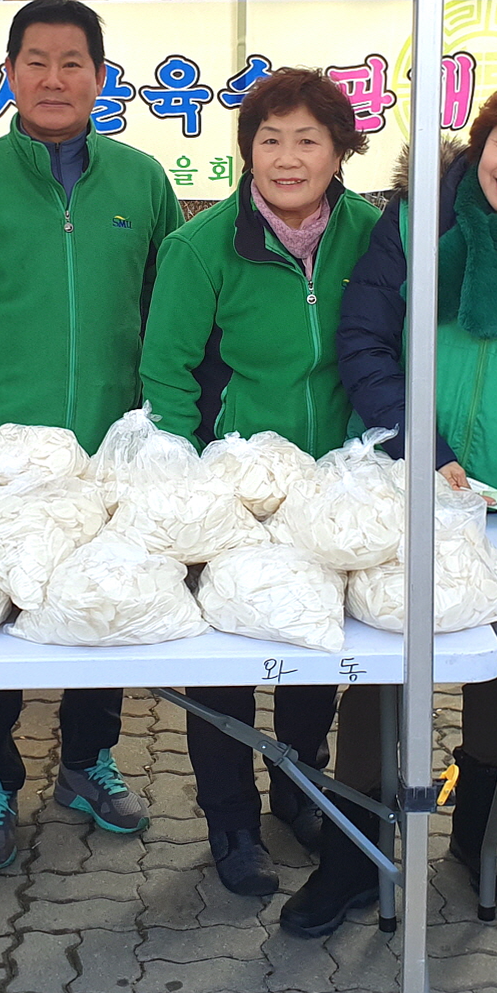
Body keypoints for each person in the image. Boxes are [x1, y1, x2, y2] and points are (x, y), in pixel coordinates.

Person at [286, 73, 497, 939]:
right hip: (402, 489)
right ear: (479, 142)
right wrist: (422, 452)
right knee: (381, 667)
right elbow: (363, 341)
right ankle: (353, 854)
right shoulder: (415, 220)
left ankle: (476, 837)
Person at [0, 0, 183, 871]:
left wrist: (169, 431)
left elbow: (169, 319)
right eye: (36, 62)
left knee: (101, 605)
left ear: (101, 77)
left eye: (73, 63)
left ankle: (89, 760)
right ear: (10, 73)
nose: (54, 79)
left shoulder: (141, 183)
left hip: (109, 450)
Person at [139, 67, 381, 898]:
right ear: (246, 153)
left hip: (335, 486)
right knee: (224, 655)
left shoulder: (372, 235)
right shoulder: (200, 247)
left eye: (308, 139)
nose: (287, 158)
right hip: (233, 487)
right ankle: (230, 818)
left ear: (341, 150)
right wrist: (199, 483)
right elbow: (167, 376)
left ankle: (300, 785)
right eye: (268, 140)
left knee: (315, 642)